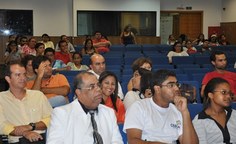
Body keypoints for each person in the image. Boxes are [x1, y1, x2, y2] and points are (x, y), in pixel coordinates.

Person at [123, 69, 199, 144]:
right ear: (157, 89)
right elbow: (133, 141)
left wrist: (185, 112)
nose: (176, 88)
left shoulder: (177, 110)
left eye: (177, 84)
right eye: (171, 85)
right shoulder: (138, 107)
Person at [46, 71, 123, 144]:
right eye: (92, 87)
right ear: (78, 92)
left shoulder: (109, 112)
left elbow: (117, 141)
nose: (98, 89)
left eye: (98, 85)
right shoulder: (61, 114)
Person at [0, 62, 52, 143]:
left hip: (42, 138)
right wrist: (25, 133)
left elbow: (50, 118)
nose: (23, 78)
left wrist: (31, 126)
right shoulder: (1, 99)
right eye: (18, 75)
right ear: (8, 79)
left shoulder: (38, 95)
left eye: (24, 74)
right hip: (17, 140)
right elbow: (2, 125)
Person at [193, 77, 236, 144]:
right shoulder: (200, 121)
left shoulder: (234, 114)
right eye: (223, 92)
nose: (228, 96)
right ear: (211, 95)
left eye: (230, 93)